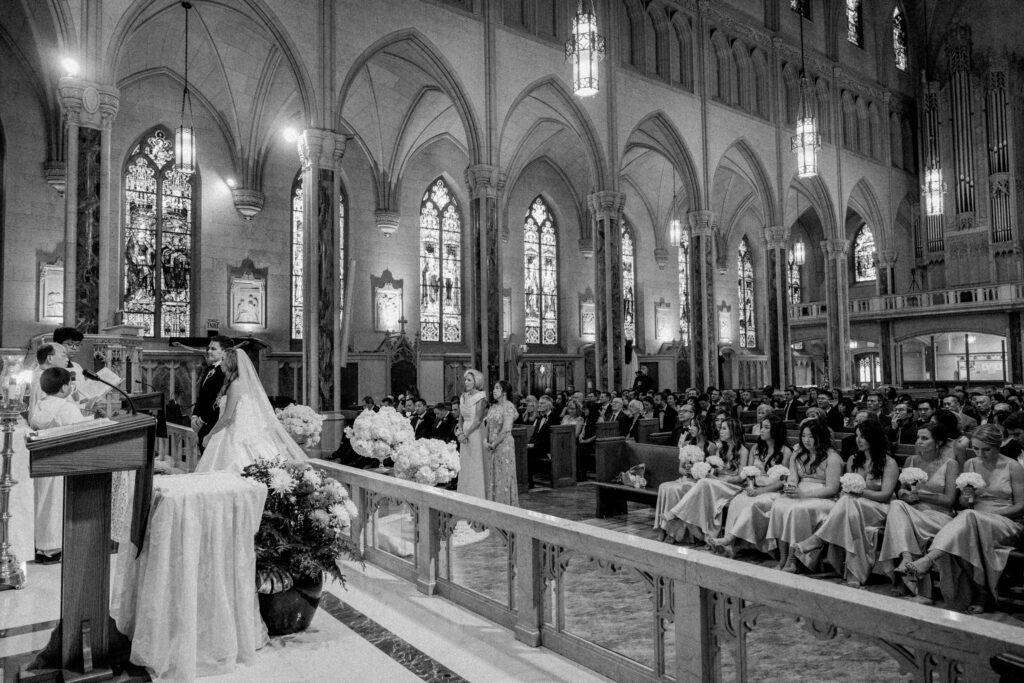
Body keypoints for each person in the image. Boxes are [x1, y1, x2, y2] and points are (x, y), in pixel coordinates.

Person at [901, 424, 1024, 613]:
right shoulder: (970, 464)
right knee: (968, 526)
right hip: (973, 519)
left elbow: (1020, 506)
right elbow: (963, 503)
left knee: (968, 519)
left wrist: (988, 514)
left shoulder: (1013, 466)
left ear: (998, 446)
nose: (980, 454)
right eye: (975, 448)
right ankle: (981, 592)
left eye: (986, 449)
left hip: (1004, 521)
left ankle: (928, 559)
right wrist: (967, 496)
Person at [793, 420, 899, 585]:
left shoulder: (889, 463)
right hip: (855, 507)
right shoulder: (853, 459)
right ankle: (853, 573)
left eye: (863, 437)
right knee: (850, 512)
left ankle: (819, 539)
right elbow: (847, 486)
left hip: (881, 508)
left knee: (849, 503)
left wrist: (859, 492)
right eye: (857, 436)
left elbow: (885, 495)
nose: (859, 440)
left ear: (875, 438)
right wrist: (848, 493)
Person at [195, 348, 307, 473]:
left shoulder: (235, 385)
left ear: (231, 363)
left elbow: (227, 417)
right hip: (236, 431)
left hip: (233, 436)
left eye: (223, 360)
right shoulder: (238, 383)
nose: (220, 363)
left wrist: (209, 435)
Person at [881, 423, 959, 599]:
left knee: (902, 520)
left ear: (938, 442)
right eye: (918, 438)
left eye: (925, 438)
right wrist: (905, 495)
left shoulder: (950, 464)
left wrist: (921, 496)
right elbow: (901, 490)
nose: (919, 442)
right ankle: (907, 557)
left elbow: (949, 500)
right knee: (896, 505)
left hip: (939, 515)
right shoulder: (911, 461)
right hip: (913, 511)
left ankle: (904, 580)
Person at [707, 415, 793, 557]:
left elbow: (782, 480)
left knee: (754, 505)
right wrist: (751, 486)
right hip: (754, 488)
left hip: (773, 491)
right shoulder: (755, 448)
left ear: (776, 430)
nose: (762, 430)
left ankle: (730, 540)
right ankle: (732, 547)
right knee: (737, 501)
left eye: (766, 427)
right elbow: (748, 472)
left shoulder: (785, 451)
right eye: (761, 426)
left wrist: (760, 491)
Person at [30, 367, 92, 563]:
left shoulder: (41, 404)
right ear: (65, 387)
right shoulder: (66, 407)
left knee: (43, 504)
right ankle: (52, 548)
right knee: (55, 505)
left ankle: (41, 546)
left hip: (42, 461)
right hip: (63, 460)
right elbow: (79, 431)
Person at [767, 420, 844, 572]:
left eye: (811, 436)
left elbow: (832, 488)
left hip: (823, 497)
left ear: (820, 437)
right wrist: (791, 486)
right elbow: (793, 477)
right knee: (779, 505)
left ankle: (793, 559)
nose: (806, 440)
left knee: (796, 510)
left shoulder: (832, 457)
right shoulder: (797, 454)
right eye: (803, 436)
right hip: (800, 492)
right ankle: (782, 558)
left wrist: (803, 494)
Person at [661, 417, 747, 544]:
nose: (720, 431)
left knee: (704, 483)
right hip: (718, 483)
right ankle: (699, 532)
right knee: (704, 483)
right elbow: (715, 469)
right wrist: (707, 470)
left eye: (724, 429)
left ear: (733, 431)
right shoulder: (721, 449)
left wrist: (720, 479)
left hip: (733, 486)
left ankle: (675, 513)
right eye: (720, 428)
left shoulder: (743, 451)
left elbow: (741, 477)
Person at [191, 335, 232, 452]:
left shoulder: (224, 372)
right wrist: (194, 416)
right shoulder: (209, 369)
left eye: (213, 349)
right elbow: (202, 397)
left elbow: (216, 400)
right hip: (202, 424)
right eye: (208, 348)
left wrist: (201, 420)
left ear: (224, 351)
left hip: (214, 425)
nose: (208, 351)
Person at [484, 380, 519, 506]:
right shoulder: (493, 407)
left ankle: (505, 505)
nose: (494, 390)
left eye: (497, 388)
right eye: (494, 388)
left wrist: (495, 443)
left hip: (504, 445)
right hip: (492, 444)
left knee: (503, 475)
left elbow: (506, 429)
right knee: (493, 474)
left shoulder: (508, 407)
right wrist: (486, 441)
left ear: (504, 392)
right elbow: (487, 426)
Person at [456, 369, 488, 498]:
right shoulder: (463, 396)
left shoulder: (481, 397)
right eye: (465, 380)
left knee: (475, 462)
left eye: (469, 380)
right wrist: (459, 432)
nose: (466, 382)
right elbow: (461, 417)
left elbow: (478, 420)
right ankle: (465, 494)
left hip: (475, 432)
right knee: (465, 463)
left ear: (476, 381)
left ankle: (477, 495)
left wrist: (466, 434)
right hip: (464, 430)